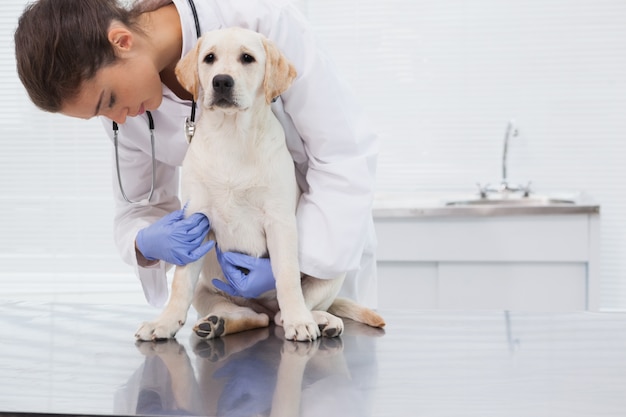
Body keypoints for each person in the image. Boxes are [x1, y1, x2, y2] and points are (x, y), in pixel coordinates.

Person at [14, 0, 379, 309]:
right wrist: (144, 242)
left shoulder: (256, 20)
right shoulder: (128, 115)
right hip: (230, 292)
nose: (117, 118)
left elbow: (343, 155)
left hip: (320, 258)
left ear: (122, 42)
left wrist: (296, 265)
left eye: (108, 100)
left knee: (317, 382)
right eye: (101, 113)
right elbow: (139, 207)